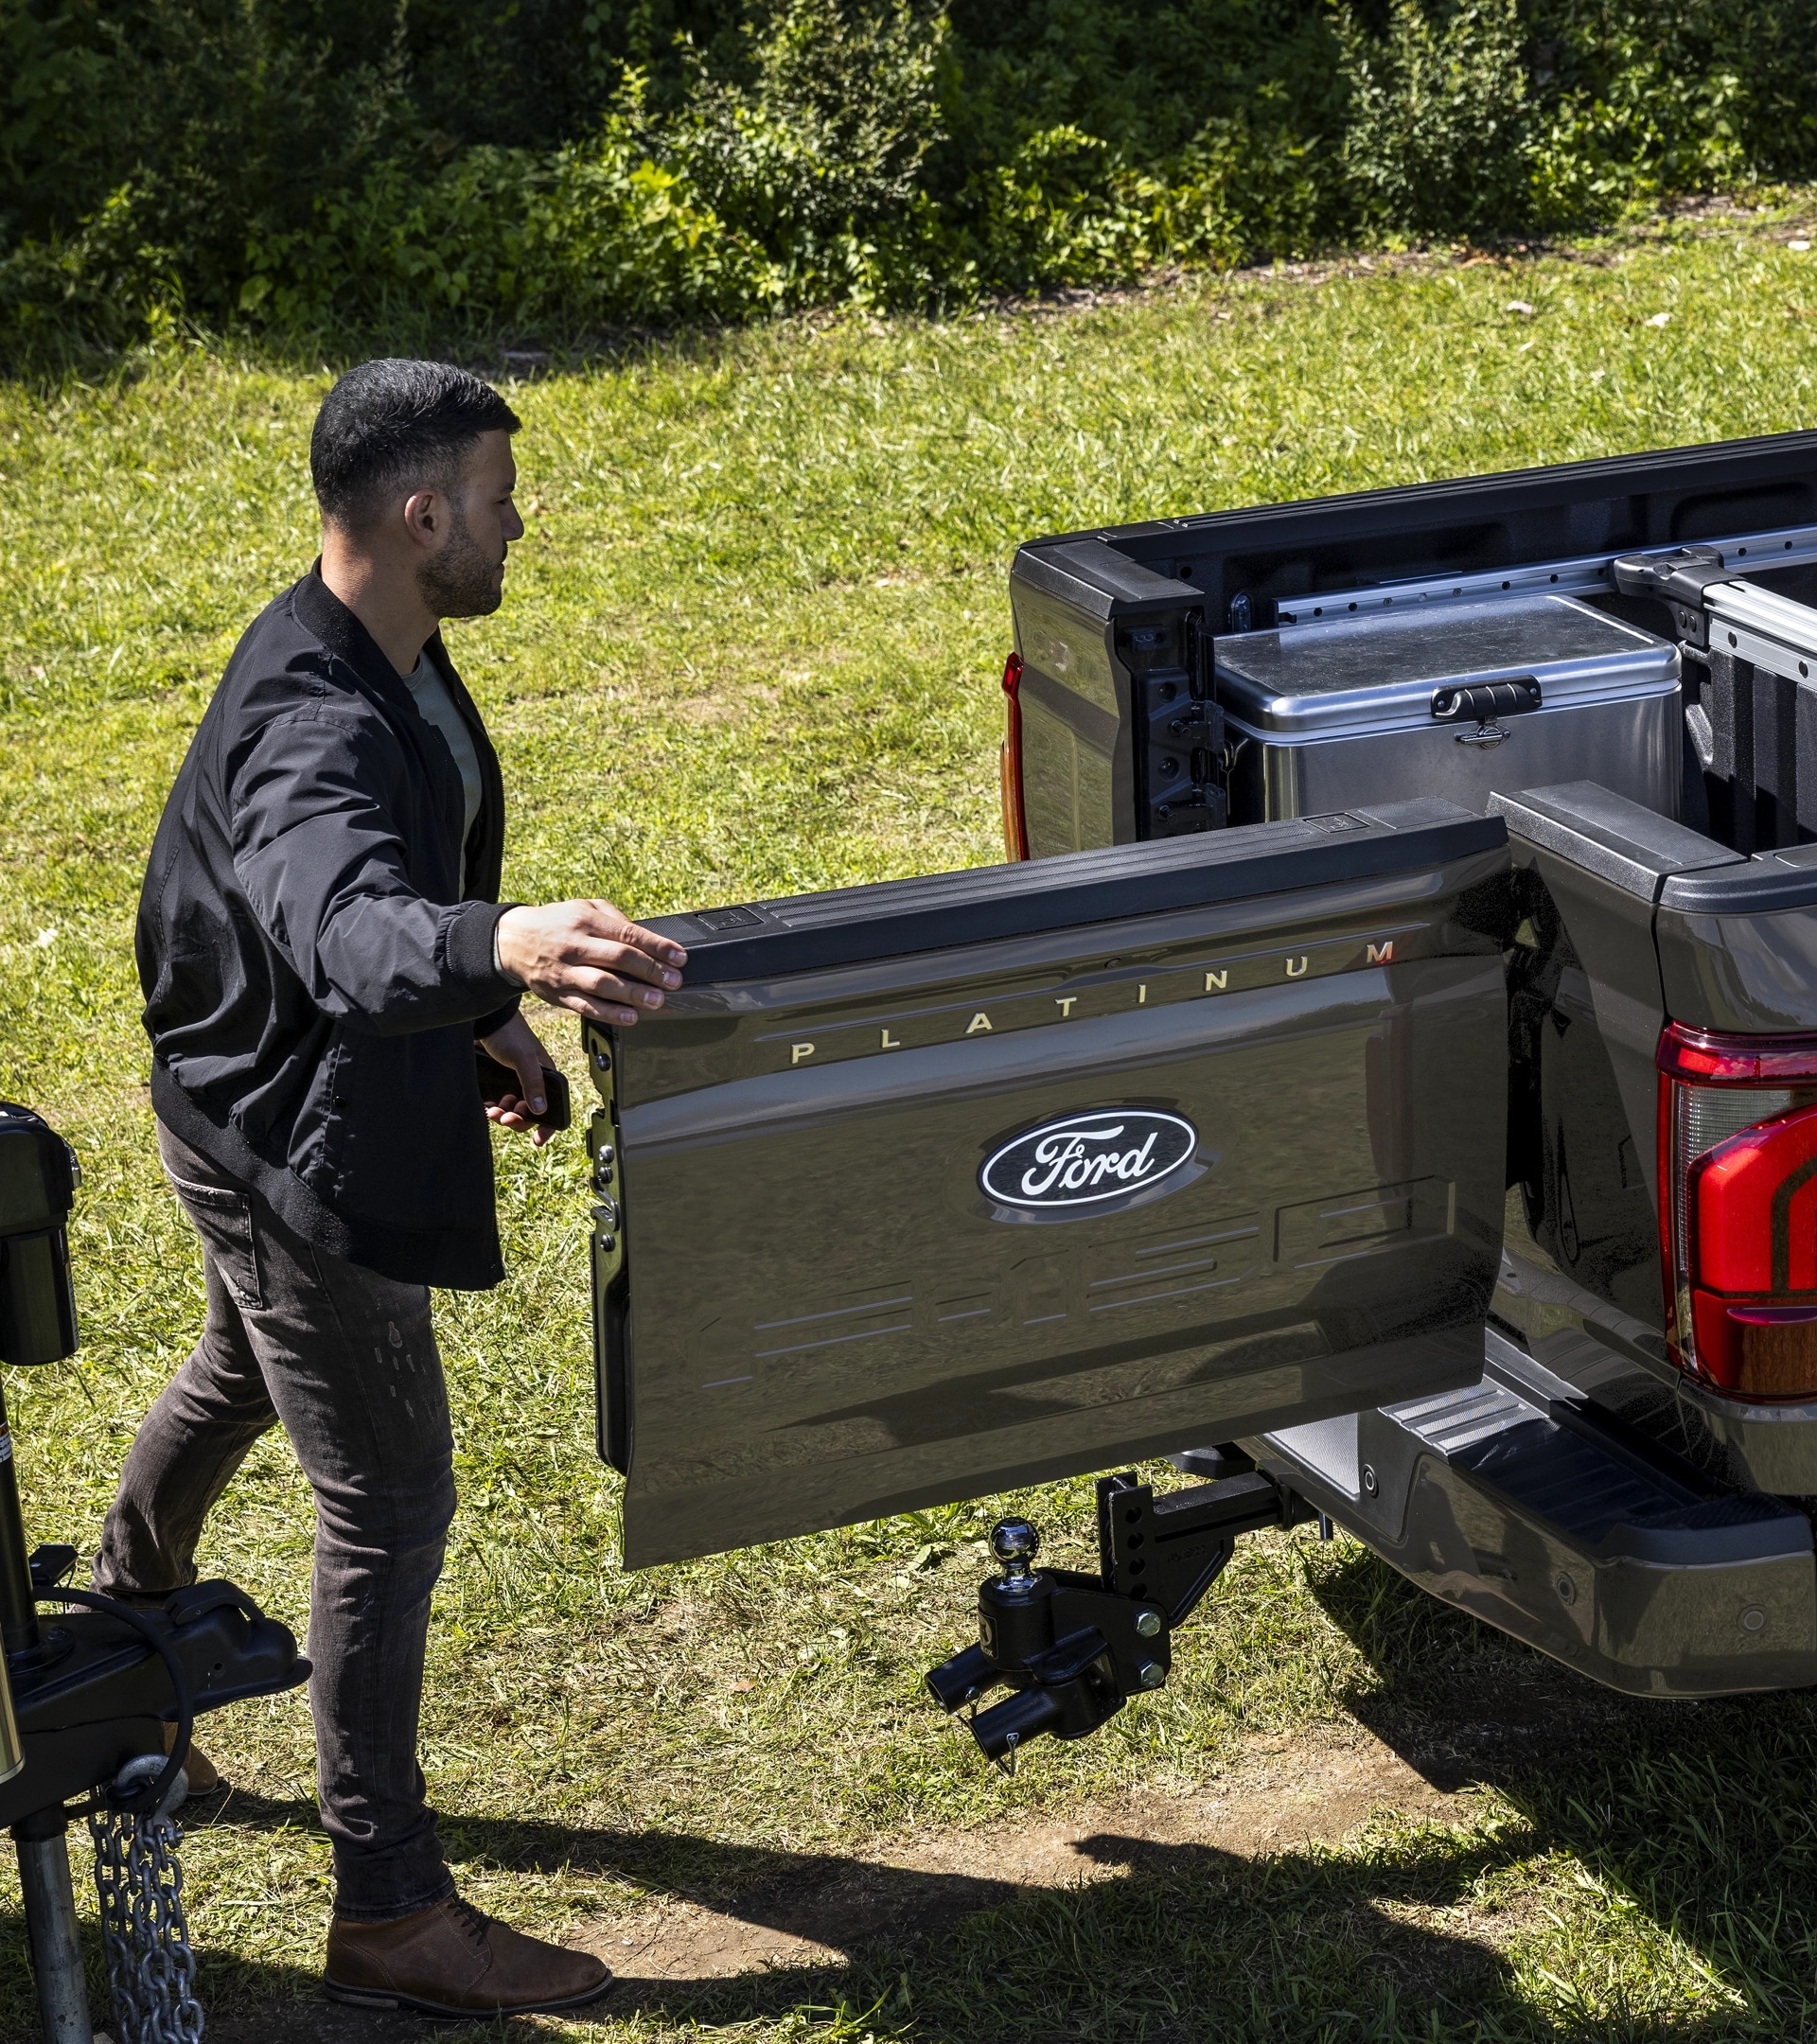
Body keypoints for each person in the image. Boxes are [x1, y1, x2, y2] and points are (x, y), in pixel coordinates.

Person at [94, 359, 688, 2017]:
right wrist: (493, 948)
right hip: (288, 1141)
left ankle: (122, 1642)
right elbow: (347, 922)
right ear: (423, 517)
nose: (519, 520)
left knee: (238, 1372)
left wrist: (480, 1008)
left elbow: (395, 897)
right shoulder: (312, 718)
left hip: (250, 1097)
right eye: (500, 496)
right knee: (388, 1501)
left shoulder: (387, 651)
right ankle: (389, 1906)